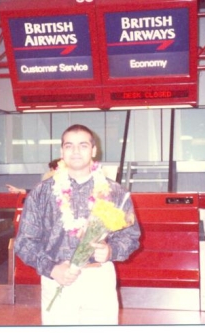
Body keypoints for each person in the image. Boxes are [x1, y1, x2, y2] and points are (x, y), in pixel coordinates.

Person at [14, 124, 141, 325]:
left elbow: (130, 236)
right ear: (61, 151)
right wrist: (52, 269)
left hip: (99, 277)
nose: (75, 151)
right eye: (69, 145)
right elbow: (24, 242)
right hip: (57, 279)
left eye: (83, 145)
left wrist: (111, 250)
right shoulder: (41, 192)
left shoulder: (115, 192)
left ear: (93, 150)